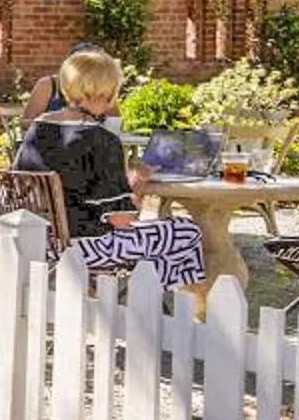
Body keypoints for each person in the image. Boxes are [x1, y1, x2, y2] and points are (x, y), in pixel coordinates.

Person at [12, 48, 207, 285]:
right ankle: (154, 305)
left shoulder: (37, 128)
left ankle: (138, 298)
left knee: (159, 237)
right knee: (187, 231)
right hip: (86, 247)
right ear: (108, 92)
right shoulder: (103, 140)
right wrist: (136, 182)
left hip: (40, 239)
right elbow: (121, 220)